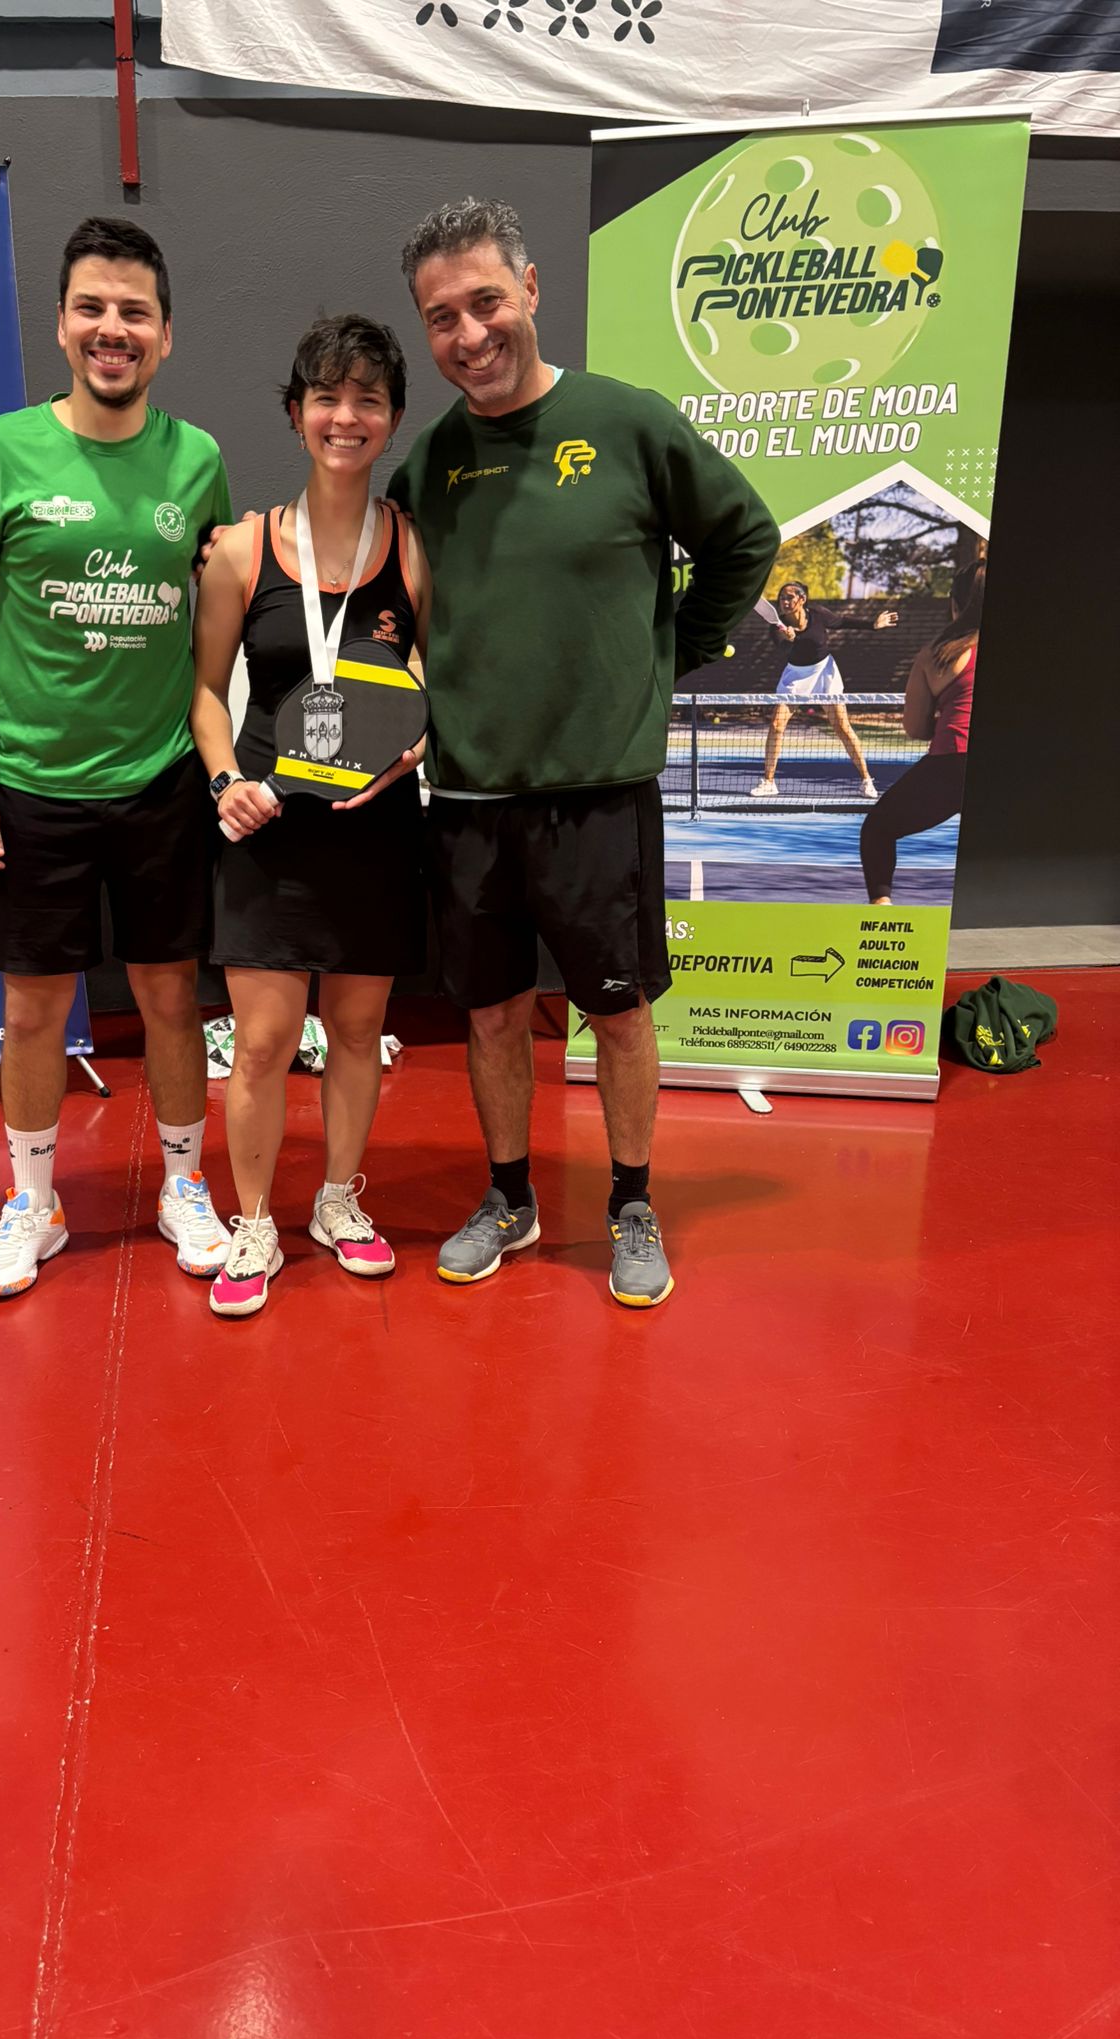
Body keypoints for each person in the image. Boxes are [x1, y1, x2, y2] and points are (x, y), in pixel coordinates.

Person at [387, 196, 779, 1308]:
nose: (469, 334)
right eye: (442, 317)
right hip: (469, 797)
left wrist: (676, 652)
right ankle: (510, 1195)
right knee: (491, 1014)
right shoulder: (430, 464)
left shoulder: (628, 421)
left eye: (485, 302)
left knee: (618, 1013)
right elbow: (395, 609)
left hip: (599, 797)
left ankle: (632, 1202)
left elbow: (746, 536)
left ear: (530, 290)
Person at [0, 216, 235, 1299]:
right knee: (31, 1011)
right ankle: (35, 1200)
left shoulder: (199, 460)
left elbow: (220, 615)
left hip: (160, 783)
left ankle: (186, 1184)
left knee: (170, 998)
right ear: (62, 326)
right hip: (31, 789)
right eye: (93, 308)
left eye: (135, 312)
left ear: (166, 335)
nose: (114, 329)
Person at [190, 314, 430, 1318]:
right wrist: (222, 782)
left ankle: (337, 1200)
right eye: (327, 397)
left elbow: (436, 680)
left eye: (367, 399)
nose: (346, 416)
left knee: (360, 1028)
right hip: (268, 826)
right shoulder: (243, 548)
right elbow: (205, 693)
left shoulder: (411, 546)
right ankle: (254, 1220)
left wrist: (415, 744)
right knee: (261, 1040)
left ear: (392, 418)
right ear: (296, 414)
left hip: (376, 826)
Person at [859, 559, 983, 905]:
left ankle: (881, 910)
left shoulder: (937, 654)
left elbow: (915, 727)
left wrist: (940, 720)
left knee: (878, 830)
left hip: (952, 763)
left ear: (954, 603)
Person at [749, 581, 898, 799]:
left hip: (824, 672)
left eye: (789, 597)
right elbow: (784, 649)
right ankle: (769, 782)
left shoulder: (818, 614)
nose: (784, 601)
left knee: (842, 727)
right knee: (776, 725)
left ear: (802, 599)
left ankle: (866, 780)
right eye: (781, 598)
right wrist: (791, 640)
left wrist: (872, 625)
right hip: (795, 675)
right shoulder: (776, 627)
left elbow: (841, 621)